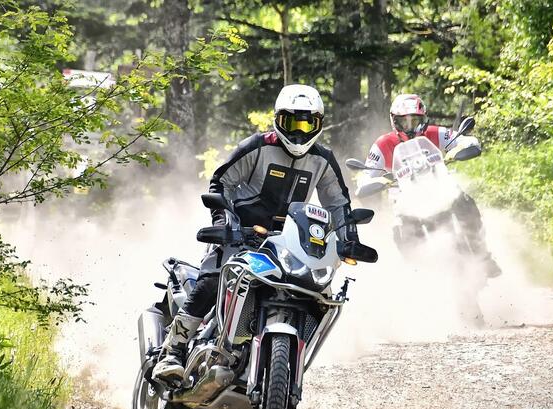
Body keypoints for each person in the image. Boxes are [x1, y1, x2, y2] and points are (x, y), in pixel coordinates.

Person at [153, 84, 369, 382]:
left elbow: (338, 204)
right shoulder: (257, 146)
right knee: (214, 279)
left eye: (308, 123)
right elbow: (221, 183)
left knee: (316, 292)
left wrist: (348, 240)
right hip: (241, 235)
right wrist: (224, 222)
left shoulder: (323, 159)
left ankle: (272, 356)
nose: (299, 131)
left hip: (287, 244)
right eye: (291, 122)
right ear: (277, 119)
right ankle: (172, 352)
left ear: (319, 123)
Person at [358, 93, 500, 277]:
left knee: (466, 201)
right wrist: (378, 180)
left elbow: (465, 139)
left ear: (423, 119)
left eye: (415, 121)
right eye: (405, 122)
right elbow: (366, 174)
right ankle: (416, 275)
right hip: (404, 198)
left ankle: (483, 255)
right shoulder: (382, 144)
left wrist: (458, 150)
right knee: (398, 232)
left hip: (440, 186)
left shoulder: (434, 132)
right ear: (395, 121)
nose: (410, 127)